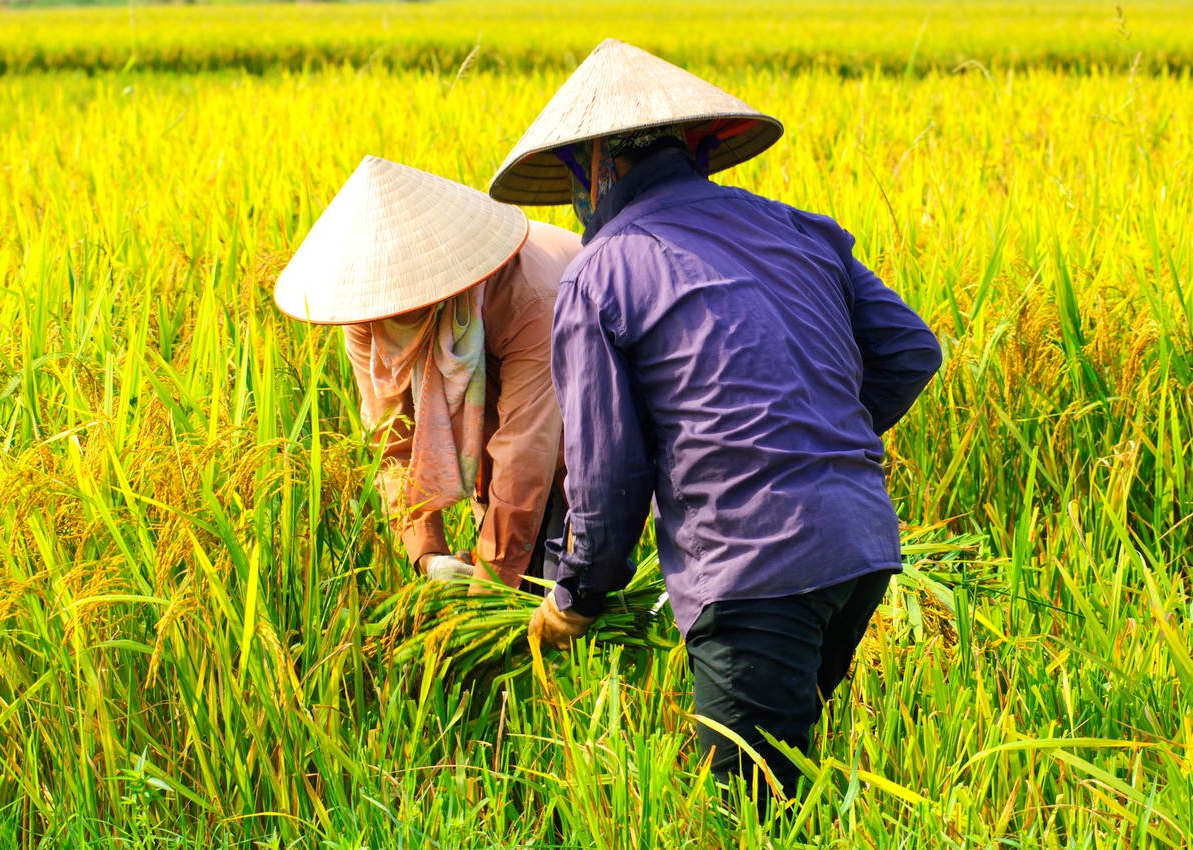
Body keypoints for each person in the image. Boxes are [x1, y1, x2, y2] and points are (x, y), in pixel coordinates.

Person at [489, 40, 942, 799]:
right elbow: (910, 350)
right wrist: (811, 435)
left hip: (753, 562)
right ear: (697, 151)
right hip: (860, 544)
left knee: (750, 813)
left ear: (597, 168)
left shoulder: (601, 270)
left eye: (577, 182)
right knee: (792, 784)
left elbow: (606, 474)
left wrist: (575, 597)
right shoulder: (801, 229)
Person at [276, 156, 582, 589]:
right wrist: (429, 556)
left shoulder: (528, 296)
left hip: (579, 418)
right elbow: (391, 437)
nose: (394, 310)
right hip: (499, 432)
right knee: (505, 576)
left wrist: (489, 583)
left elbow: (525, 454)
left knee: (562, 584)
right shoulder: (367, 318)